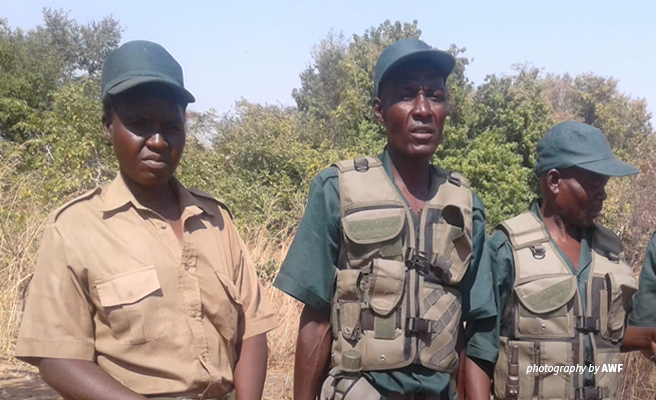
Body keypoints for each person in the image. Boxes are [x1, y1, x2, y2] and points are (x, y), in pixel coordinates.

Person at [15, 40, 277, 400]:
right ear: (108, 126)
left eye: (171, 126)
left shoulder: (216, 220)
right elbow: (56, 357)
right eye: (139, 124)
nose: (157, 141)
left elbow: (253, 329)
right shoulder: (74, 229)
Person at [273, 38, 497, 400]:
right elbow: (316, 319)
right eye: (407, 95)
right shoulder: (337, 189)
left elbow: (479, 329)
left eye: (435, 96)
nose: (423, 109)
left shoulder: (466, 204)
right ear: (379, 111)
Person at [487, 121, 640, 400]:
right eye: (594, 183)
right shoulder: (507, 247)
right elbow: (479, 347)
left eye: (604, 185)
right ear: (555, 181)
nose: (603, 194)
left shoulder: (611, 252)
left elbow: (610, 335)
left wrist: (646, 338)